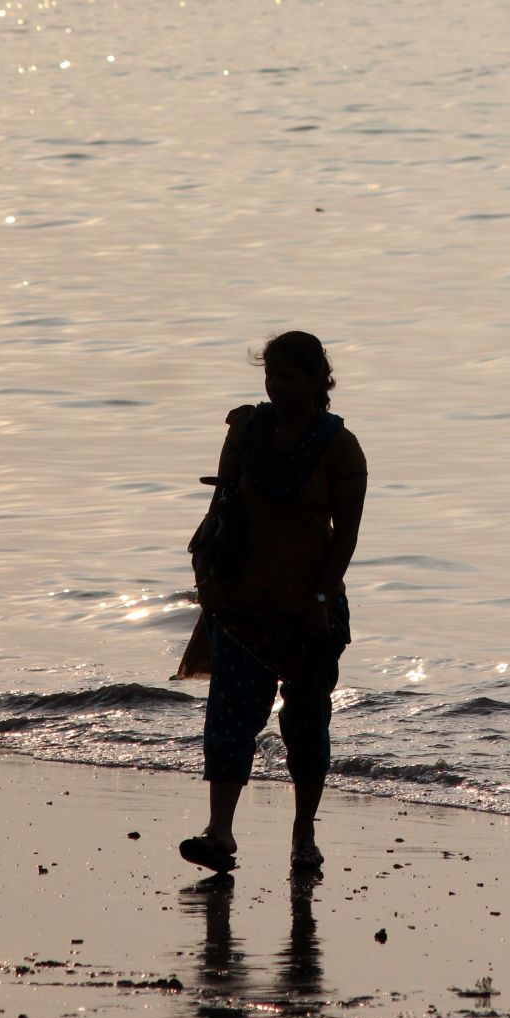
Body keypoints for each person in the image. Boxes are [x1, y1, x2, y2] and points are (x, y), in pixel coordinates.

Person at [177, 331, 367, 874]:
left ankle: (303, 834)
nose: (278, 386)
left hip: (308, 610)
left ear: (316, 381)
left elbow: (346, 537)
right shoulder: (246, 432)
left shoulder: (340, 446)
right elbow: (221, 509)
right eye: (271, 376)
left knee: (306, 724)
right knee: (230, 716)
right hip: (239, 604)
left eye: (289, 376)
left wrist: (322, 598)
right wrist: (206, 581)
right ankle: (219, 832)